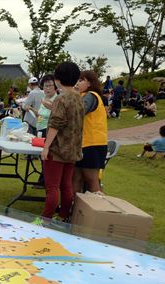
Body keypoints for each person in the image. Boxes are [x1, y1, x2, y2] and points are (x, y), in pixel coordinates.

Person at [38, 61, 84, 223]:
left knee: (52, 187)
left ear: (58, 79)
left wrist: (46, 147)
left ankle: (46, 219)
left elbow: (55, 125)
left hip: (58, 150)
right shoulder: (79, 98)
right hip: (72, 149)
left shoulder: (61, 98)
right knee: (66, 186)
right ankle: (63, 216)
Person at [74, 70, 108, 194]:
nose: (77, 83)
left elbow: (79, 111)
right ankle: (73, 210)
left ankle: (100, 210)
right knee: (76, 178)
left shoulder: (91, 95)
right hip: (83, 144)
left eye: (81, 80)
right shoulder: (82, 96)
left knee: (91, 181)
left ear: (89, 83)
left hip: (92, 144)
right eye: (77, 80)